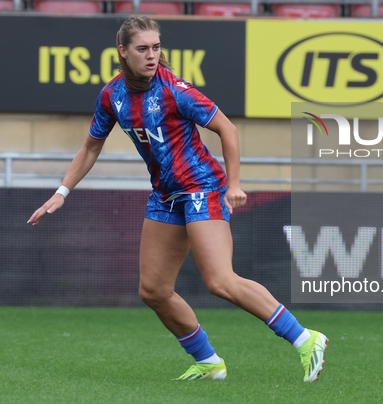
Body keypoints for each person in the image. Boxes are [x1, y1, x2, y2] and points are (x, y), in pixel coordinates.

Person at [28, 16, 327, 382]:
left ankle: (304, 338)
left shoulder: (174, 90)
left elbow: (227, 129)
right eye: (143, 49)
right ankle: (208, 362)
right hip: (166, 196)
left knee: (219, 280)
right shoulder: (112, 95)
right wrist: (62, 192)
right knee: (153, 290)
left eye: (156, 47)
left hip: (202, 187)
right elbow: (91, 147)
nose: (152, 55)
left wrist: (234, 184)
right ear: (122, 51)